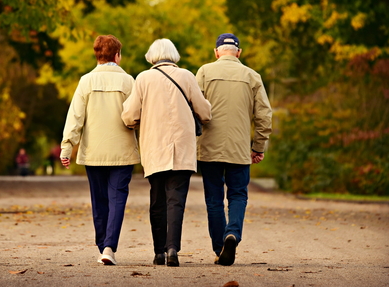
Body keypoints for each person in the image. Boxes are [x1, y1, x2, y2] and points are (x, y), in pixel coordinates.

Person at [122, 39, 212, 267]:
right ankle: (173, 248)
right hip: (182, 148)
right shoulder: (187, 76)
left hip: (155, 148)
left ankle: (158, 252)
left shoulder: (143, 78)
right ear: (174, 55)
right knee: (176, 200)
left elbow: (130, 115)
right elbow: (205, 112)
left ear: (151, 56)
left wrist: (136, 121)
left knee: (157, 200)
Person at [60, 35, 140, 265]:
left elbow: (75, 117)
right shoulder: (128, 81)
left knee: (99, 200)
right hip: (122, 152)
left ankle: (101, 244)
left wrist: (67, 147)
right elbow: (136, 116)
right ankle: (108, 247)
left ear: (97, 55)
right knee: (117, 199)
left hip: (93, 152)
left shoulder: (85, 81)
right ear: (117, 55)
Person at [195, 33, 272, 266]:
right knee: (238, 195)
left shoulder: (204, 73)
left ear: (216, 51)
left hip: (209, 149)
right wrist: (258, 146)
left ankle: (220, 248)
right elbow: (264, 115)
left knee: (214, 199)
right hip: (239, 150)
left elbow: (193, 108)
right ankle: (233, 234)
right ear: (239, 52)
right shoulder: (252, 76)